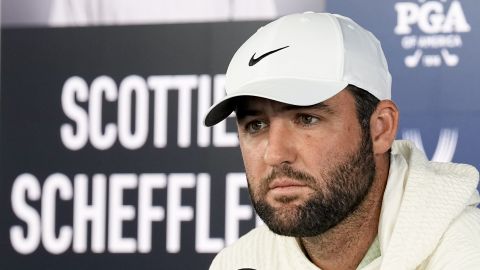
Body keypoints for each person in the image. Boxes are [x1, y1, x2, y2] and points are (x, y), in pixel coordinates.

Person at [204, 12, 480, 270]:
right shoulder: (238, 262)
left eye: (306, 119)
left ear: (380, 129)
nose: (275, 154)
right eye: (256, 125)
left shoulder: (466, 253)